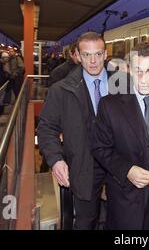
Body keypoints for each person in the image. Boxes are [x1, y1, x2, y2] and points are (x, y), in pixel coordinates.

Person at [91, 42, 149, 230]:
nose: (143, 79)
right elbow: (100, 147)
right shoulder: (109, 105)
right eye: (137, 71)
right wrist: (127, 170)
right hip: (125, 201)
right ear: (128, 70)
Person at [37, 32, 109, 229]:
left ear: (105, 54)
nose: (93, 61)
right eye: (87, 55)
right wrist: (56, 160)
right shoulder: (61, 90)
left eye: (98, 54)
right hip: (83, 166)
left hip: (119, 165)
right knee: (86, 221)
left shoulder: (124, 83)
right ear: (77, 55)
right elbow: (46, 128)